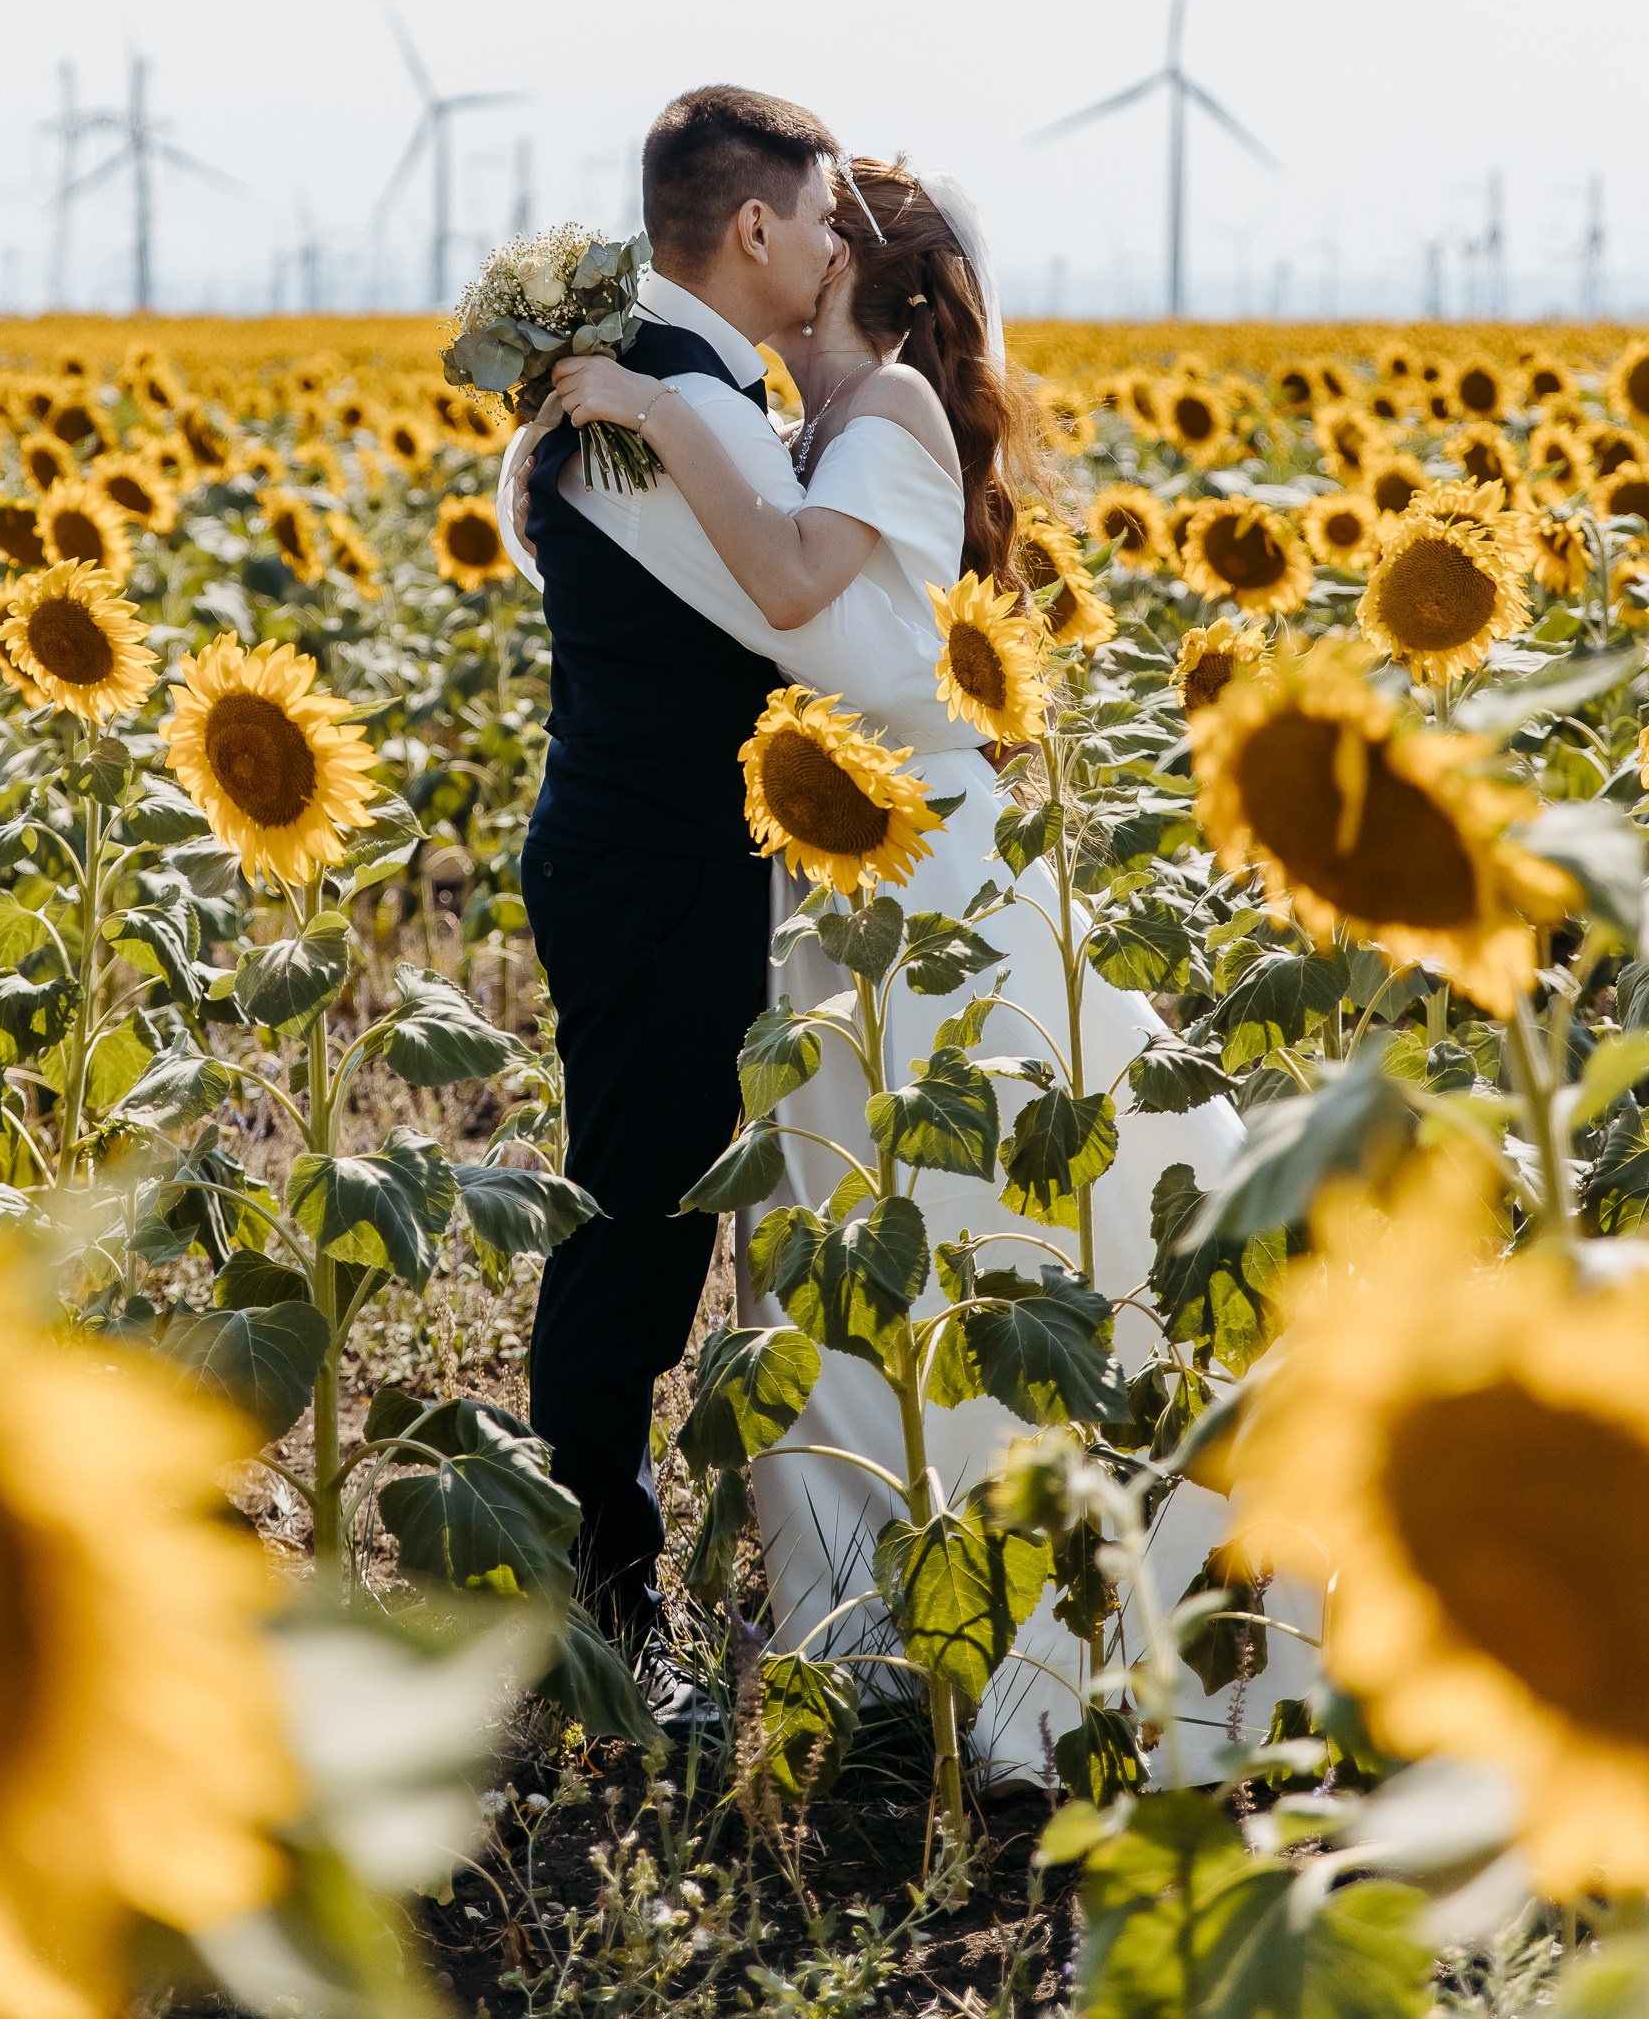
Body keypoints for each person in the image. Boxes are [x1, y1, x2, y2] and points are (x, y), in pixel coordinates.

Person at [542, 154, 1310, 1782]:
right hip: (838, 869)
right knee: (836, 1237)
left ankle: (1009, 1618)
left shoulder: (874, 409)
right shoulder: (808, 419)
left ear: (834, 266)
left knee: (961, 1216)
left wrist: (642, 405)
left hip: (914, 873)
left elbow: (795, 581)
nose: (802, 237)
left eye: (825, 223)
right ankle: (882, 1631)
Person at [503, 87, 950, 1727]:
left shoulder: (641, 388)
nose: (840, 242)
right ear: (752, 229)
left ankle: (608, 1599)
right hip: (660, 861)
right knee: (635, 1227)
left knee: (657, 1212)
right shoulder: (662, 401)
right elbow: (804, 627)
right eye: (821, 215)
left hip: (656, 845)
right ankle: (599, 1619)